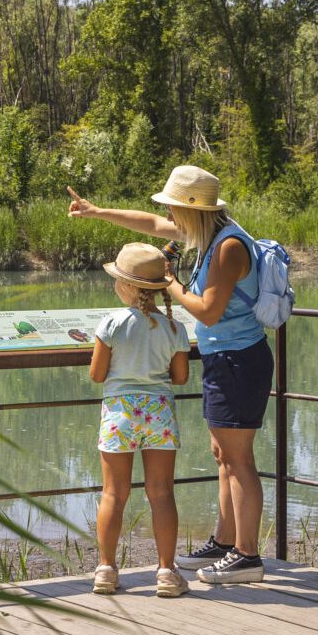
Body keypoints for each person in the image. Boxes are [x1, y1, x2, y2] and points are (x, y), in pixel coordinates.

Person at [68, 165, 272, 584]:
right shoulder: (207, 234)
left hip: (239, 359)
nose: (169, 220)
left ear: (190, 209)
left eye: (173, 210)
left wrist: (169, 284)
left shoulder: (228, 246)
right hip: (223, 358)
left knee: (238, 459)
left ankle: (247, 555)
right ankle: (224, 541)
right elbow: (147, 223)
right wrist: (97, 211)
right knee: (223, 456)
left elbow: (208, 311)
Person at [87, 242, 192, 598]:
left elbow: (97, 375)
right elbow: (180, 378)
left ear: (128, 287)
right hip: (159, 411)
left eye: (117, 279)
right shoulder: (174, 328)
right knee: (161, 493)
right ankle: (165, 572)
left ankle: (106, 570)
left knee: (113, 494)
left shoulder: (111, 323)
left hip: (119, 413)